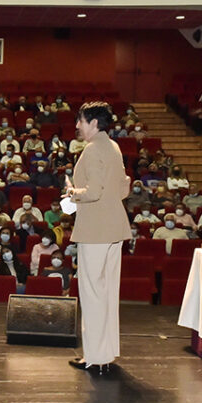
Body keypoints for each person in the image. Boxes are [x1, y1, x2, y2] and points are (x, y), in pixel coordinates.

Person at [64, 101, 130, 375]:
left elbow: (93, 192)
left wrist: (71, 193)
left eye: (80, 120)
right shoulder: (113, 147)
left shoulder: (92, 151)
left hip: (94, 232)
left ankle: (93, 357)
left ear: (93, 122)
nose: (77, 125)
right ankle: (105, 353)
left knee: (92, 294)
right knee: (107, 293)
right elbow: (124, 188)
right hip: (114, 229)